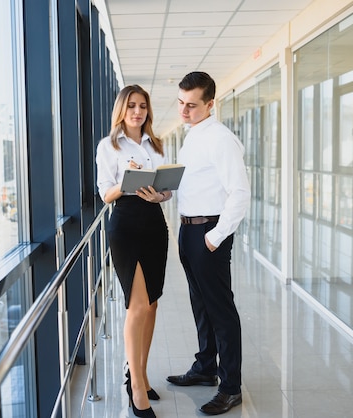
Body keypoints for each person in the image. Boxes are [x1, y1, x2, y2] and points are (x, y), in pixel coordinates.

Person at [166, 71, 250, 416]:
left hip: (208, 232)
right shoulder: (192, 136)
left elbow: (240, 194)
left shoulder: (220, 139)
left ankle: (231, 387)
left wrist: (215, 238)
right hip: (188, 230)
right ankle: (205, 368)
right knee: (200, 304)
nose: (184, 111)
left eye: (192, 105)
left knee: (220, 310)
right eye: (181, 104)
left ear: (210, 104)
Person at [96, 84, 172, 418]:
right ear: (121, 111)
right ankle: (136, 387)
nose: (137, 112)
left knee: (152, 304)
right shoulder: (109, 145)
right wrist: (127, 179)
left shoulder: (155, 144)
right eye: (131, 106)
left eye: (142, 106)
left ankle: (138, 372)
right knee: (137, 306)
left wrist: (161, 195)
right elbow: (104, 194)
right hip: (125, 224)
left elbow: (167, 189)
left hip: (154, 222)